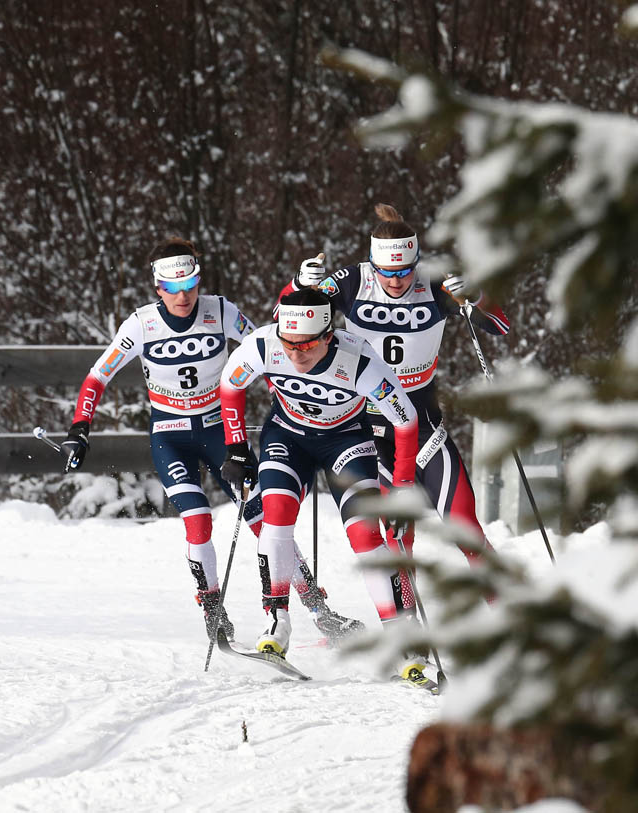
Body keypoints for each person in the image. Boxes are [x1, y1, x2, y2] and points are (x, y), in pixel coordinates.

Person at [60, 238, 360, 645]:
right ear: (157, 288)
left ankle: (319, 610)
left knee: (266, 520)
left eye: (191, 285)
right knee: (198, 521)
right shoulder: (141, 324)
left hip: (219, 431)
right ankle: (213, 610)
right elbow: (99, 376)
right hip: (170, 435)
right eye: (173, 288)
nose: (184, 296)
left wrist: (297, 403)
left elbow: (269, 350)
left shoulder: (221, 311)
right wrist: (80, 427)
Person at [280, 203, 511, 614]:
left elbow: (501, 326)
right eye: (386, 272)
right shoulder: (351, 280)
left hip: (423, 424)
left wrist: (477, 295)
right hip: (368, 426)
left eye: (404, 271)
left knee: (466, 526)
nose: (396, 280)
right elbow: (290, 317)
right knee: (396, 535)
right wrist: (300, 283)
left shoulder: (436, 282)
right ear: (373, 264)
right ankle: (407, 628)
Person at [218, 287, 434, 688]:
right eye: (289, 342)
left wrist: (401, 487)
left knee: (366, 534)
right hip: (288, 436)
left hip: (347, 440)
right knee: (276, 519)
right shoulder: (263, 345)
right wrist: (236, 447)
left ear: (329, 337)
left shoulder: (360, 361)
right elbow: (230, 388)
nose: (295, 353)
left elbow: (405, 422)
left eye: (307, 345)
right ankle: (276, 624)